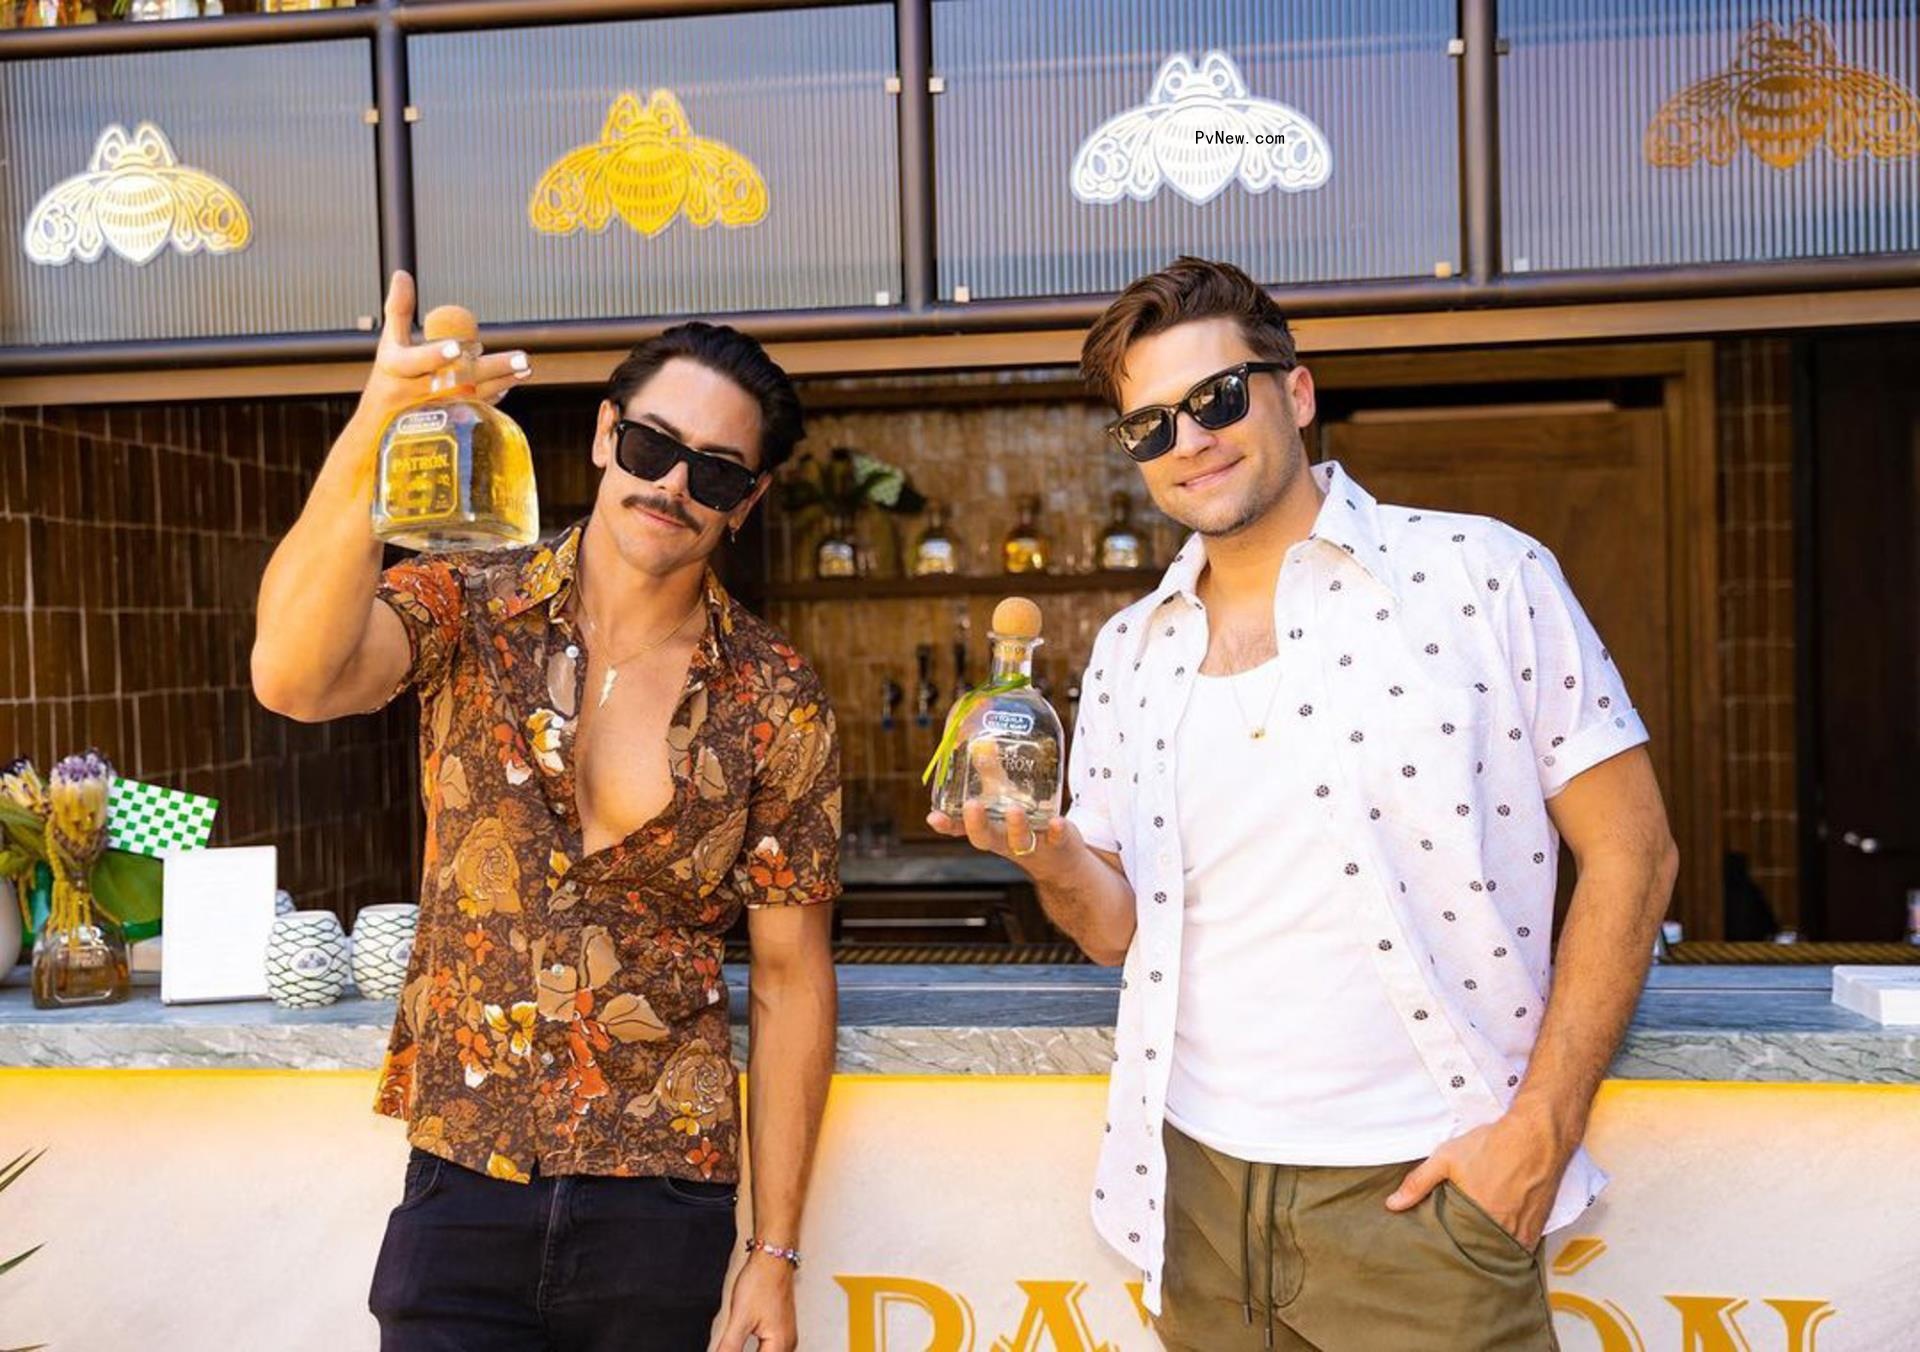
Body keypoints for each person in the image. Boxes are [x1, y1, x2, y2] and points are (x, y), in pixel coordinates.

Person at [930, 256, 1677, 1350]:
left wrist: (1543, 1129)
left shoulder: (1482, 574)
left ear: (1298, 391)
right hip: (1197, 1191)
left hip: (1425, 1196)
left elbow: (1635, 856)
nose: (1189, 439)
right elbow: (1115, 929)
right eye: (1148, 427)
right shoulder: (1130, 652)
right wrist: (1047, 856)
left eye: (1217, 397)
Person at [253, 272, 839, 1352]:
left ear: (744, 501)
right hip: (464, 1173)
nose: (673, 486)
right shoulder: (465, 601)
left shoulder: (775, 694)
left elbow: (796, 977)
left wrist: (776, 1248)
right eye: (655, 447)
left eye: (714, 471)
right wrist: (376, 422)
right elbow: (292, 675)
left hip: (661, 1199)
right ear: (606, 436)